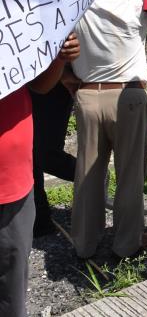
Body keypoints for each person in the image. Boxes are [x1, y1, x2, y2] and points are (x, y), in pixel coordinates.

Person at [70, 0, 147, 260]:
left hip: (87, 95)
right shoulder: (135, 2)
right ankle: (126, 243)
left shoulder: (75, 5)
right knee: (130, 174)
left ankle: (84, 243)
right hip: (128, 97)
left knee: (88, 173)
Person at [0, 33, 80, 317]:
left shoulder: (14, 16)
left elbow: (40, 86)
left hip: (15, 181)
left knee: (12, 290)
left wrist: (58, 57)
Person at [31, 81, 76, 238]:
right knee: (29, 154)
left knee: (47, 156)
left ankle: (93, 174)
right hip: (21, 85)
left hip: (54, 84)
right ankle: (39, 220)